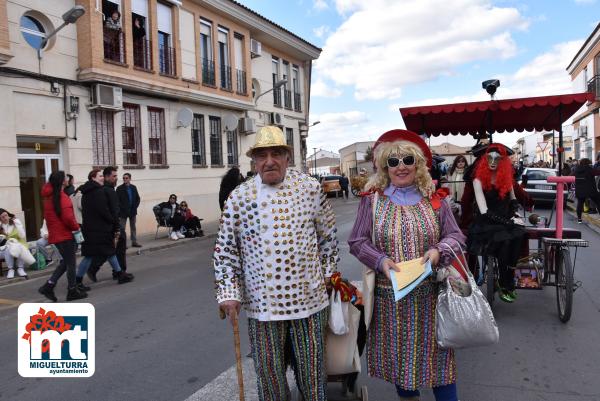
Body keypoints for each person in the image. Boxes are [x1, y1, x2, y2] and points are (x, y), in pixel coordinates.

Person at [215, 126, 339, 401]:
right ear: (254, 162)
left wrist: (330, 276)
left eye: (276, 154)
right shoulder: (239, 198)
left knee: (313, 375)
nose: (269, 161)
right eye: (262, 156)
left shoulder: (310, 189)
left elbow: (328, 238)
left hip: (310, 302)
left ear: (287, 157)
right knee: (269, 378)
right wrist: (229, 293)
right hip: (263, 308)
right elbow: (225, 251)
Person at [348, 129, 465, 401]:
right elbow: (357, 241)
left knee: (441, 367)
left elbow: (457, 236)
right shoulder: (372, 202)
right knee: (403, 366)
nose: (401, 167)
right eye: (393, 161)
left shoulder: (435, 199)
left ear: (419, 164)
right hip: (392, 301)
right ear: (384, 167)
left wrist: (438, 251)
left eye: (408, 160)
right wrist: (380, 261)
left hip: (432, 299)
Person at [466, 143, 525, 303]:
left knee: (519, 234)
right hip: (486, 222)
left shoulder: (506, 177)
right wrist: (507, 221)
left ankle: (508, 277)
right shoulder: (478, 180)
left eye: (497, 159)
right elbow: (483, 210)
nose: (493, 161)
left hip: (505, 219)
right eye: (489, 158)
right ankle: (503, 281)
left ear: (503, 161)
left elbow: (513, 199)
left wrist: (515, 213)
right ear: (484, 160)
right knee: (504, 239)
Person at [75, 169, 132, 287]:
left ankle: (120, 273)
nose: (102, 178)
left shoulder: (87, 192)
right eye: (100, 176)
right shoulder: (98, 192)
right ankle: (77, 281)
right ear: (93, 178)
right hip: (100, 229)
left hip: (92, 228)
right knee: (93, 255)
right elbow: (104, 211)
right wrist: (114, 223)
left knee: (108, 252)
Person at [38, 171, 86, 301]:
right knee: (70, 263)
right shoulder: (61, 197)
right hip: (65, 235)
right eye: (65, 177)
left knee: (66, 262)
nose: (67, 178)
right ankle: (72, 290)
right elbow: (68, 218)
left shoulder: (50, 196)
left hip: (57, 234)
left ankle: (49, 286)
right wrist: (76, 229)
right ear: (61, 181)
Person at [0, 208, 31, 279]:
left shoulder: (15, 223)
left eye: (6, 215)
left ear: (8, 215)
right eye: (3, 217)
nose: (5, 218)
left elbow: (22, 236)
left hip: (19, 244)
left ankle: (20, 268)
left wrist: (18, 224)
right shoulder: (1, 226)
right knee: (8, 248)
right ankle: (11, 269)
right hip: (5, 248)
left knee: (19, 247)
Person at [116, 173, 141, 247]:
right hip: (123, 212)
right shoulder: (119, 188)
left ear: (130, 179)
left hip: (132, 211)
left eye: (126, 178)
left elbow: (138, 198)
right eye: (123, 178)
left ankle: (134, 242)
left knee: (133, 227)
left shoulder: (133, 187)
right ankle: (122, 244)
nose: (125, 179)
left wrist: (135, 207)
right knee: (122, 228)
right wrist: (121, 209)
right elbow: (117, 201)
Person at [574, 158, 600, 223]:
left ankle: (579, 219)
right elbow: (597, 172)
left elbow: (571, 176)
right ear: (588, 163)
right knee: (598, 202)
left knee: (580, 204)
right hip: (590, 190)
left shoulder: (576, 169)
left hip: (580, 190)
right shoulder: (589, 169)